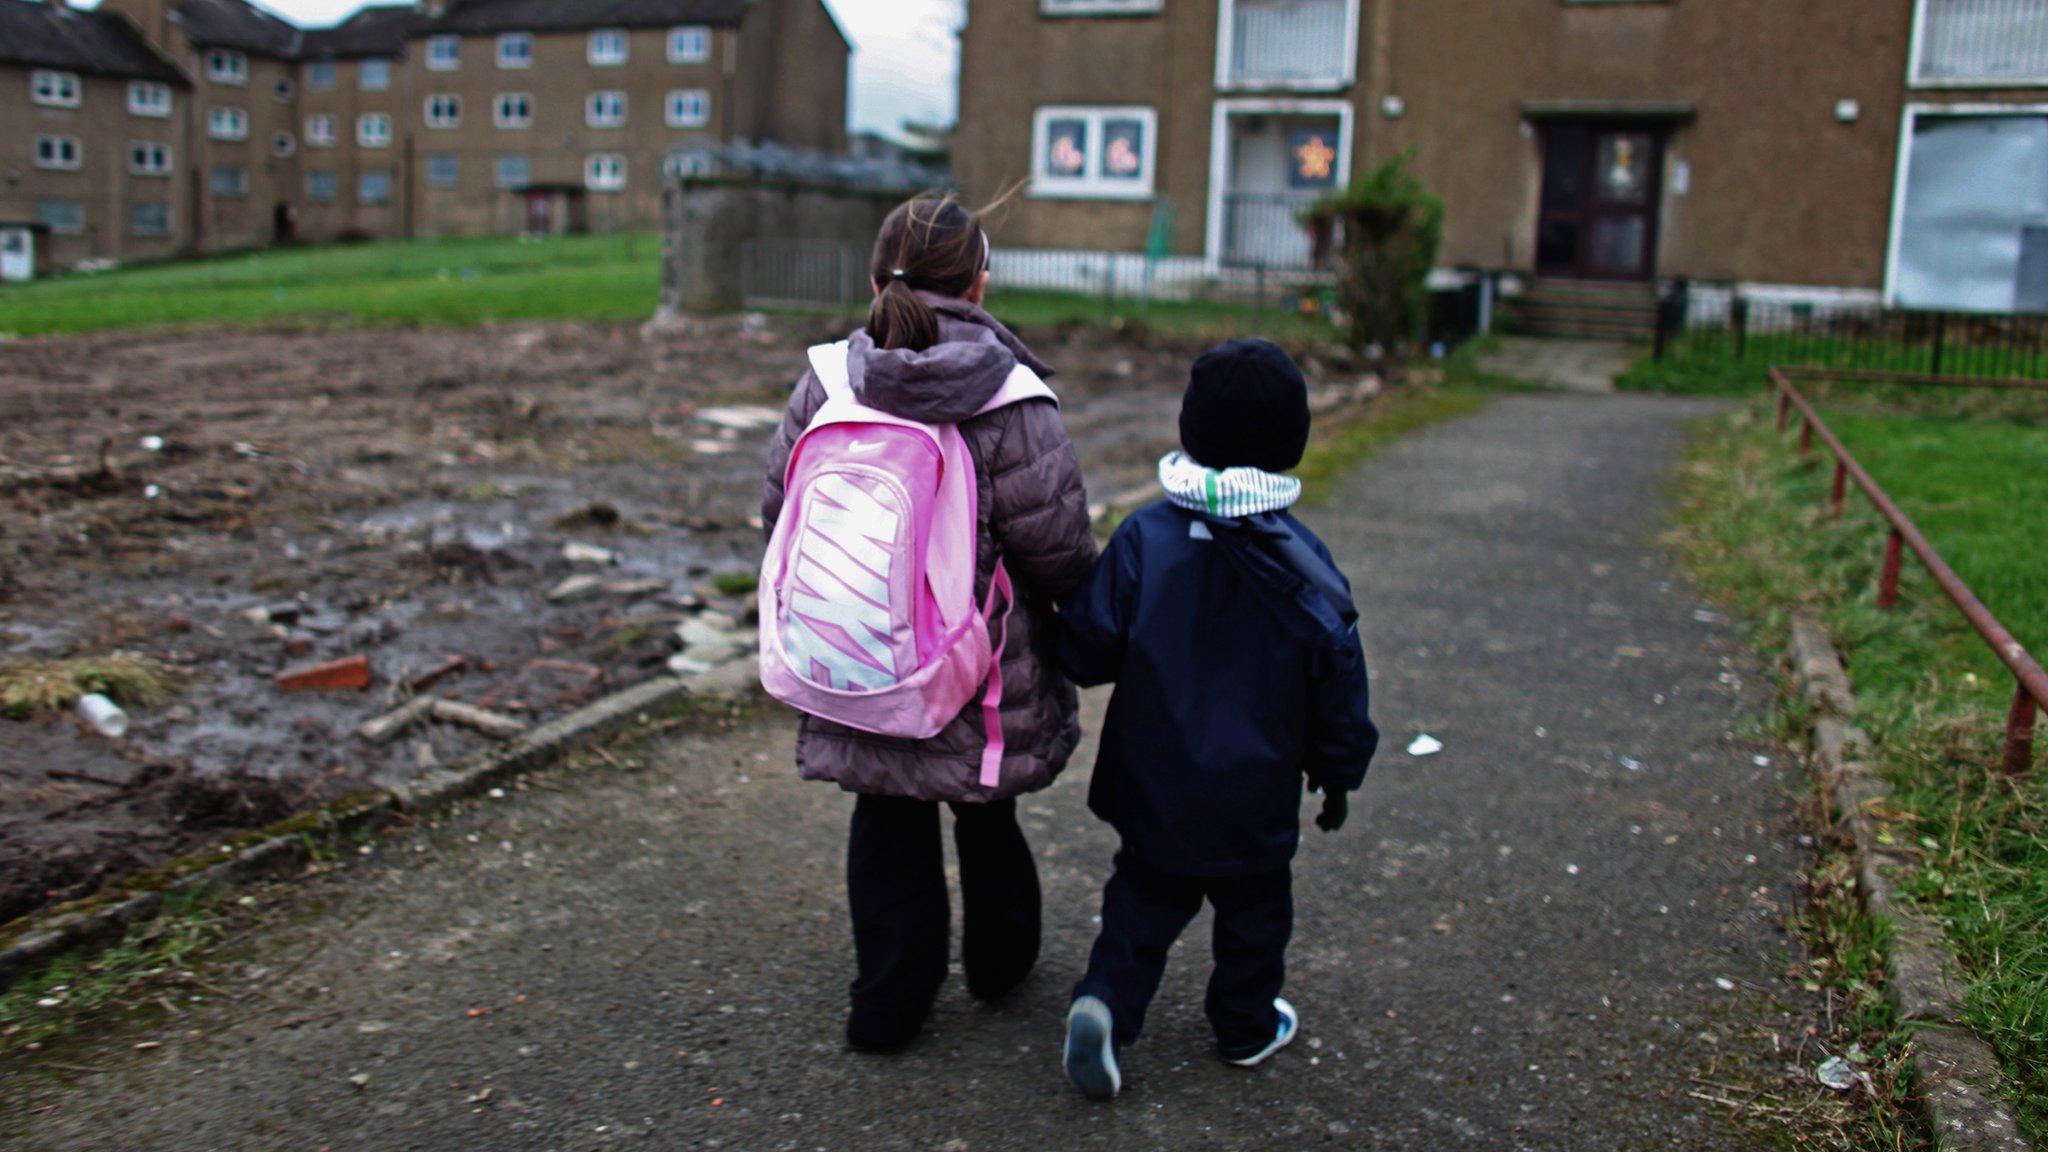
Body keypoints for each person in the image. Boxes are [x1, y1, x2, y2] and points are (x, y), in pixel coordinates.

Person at [761, 194, 1097, 1053]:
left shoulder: (828, 380)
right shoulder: (1011, 397)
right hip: (974, 670)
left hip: (857, 654)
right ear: (979, 283)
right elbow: (1057, 548)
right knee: (986, 817)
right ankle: (999, 966)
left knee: (885, 821)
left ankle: (885, 1008)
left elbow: (780, 511)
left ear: (876, 279)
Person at [1051, 338, 1379, 1099]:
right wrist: (1338, 774)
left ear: (1190, 427)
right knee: (1255, 918)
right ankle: (1244, 1025)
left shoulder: (1144, 537)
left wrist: (1058, 626)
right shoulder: (1303, 559)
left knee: (1140, 900)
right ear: (1287, 445)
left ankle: (1105, 1002)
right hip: (1253, 793)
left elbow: (1091, 649)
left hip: (1154, 783)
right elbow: (1338, 677)